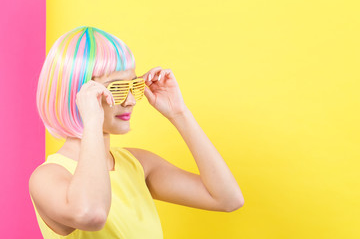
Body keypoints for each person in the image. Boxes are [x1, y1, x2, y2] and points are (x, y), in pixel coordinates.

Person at [29, 26, 244, 239]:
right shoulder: (47, 177)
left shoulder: (137, 164)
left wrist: (179, 113)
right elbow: (92, 214)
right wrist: (91, 120)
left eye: (133, 85)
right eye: (117, 89)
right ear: (79, 95)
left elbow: (228, 199)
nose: (131, 100)